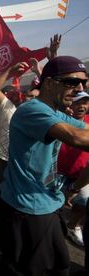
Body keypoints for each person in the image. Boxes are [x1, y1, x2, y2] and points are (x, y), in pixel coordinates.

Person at [0, 56, 88, 275]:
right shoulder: (31, 110)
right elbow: (77, 138)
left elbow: (84, 129)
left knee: (59, 265)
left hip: (48, 201)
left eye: (83, 83)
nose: (79, 89)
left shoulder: (55, 112)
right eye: (73, 82)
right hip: (29, 208)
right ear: (50, 83)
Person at [58, 91, 89, 246]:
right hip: (57, 173)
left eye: (85, 102)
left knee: (84, 202)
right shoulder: (59, 119)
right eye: (78, 102)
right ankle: (54, 228)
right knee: (53, 203)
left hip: (81, 174)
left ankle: (73, 226)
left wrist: (75, 189)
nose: (82, 106)